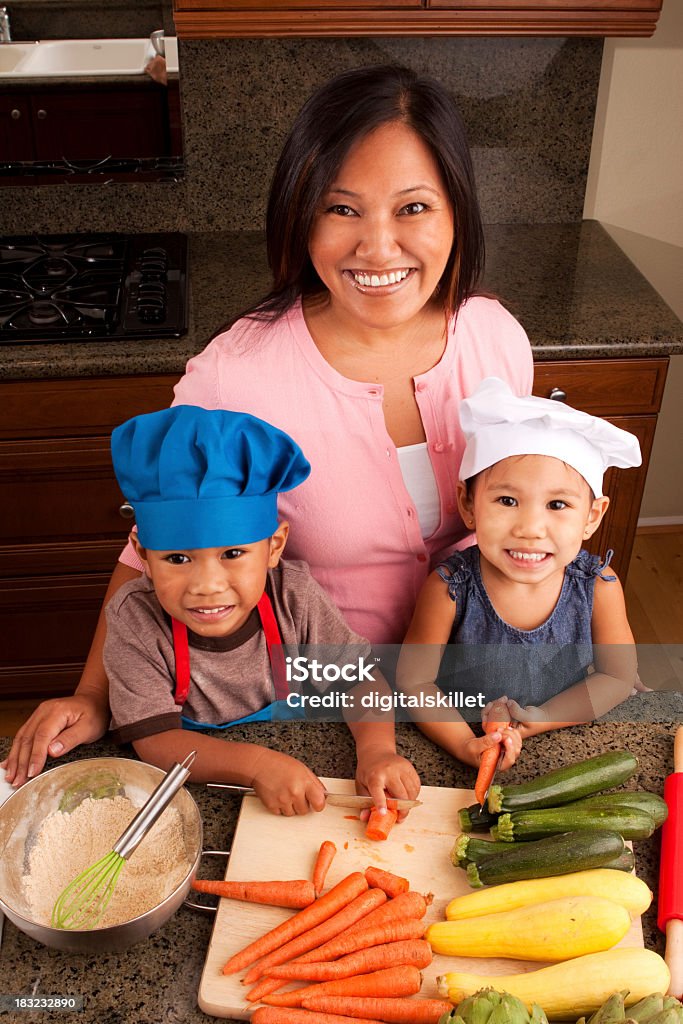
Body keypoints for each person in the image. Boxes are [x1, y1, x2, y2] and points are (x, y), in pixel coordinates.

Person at [3, 63, 533, 786]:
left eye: (412, 208)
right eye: (342, 209)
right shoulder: (236, 376)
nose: (378, 248)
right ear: (300, 213)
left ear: (456, 211)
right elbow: (151, 548)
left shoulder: (496, 340)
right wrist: (95, 697)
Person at [105, 404, 419, 815]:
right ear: (143, 554)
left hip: (308, 769)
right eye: (177, 559)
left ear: (274, 546)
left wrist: (377, 750)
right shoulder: (135, 621)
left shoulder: (295, 598)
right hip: (192, 796)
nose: (207, 586)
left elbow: (359, 681)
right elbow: (157, 741)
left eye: (233, 553)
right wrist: (255, 765)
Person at [397, 376, 642, 771]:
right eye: (507, 500)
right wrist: (464, 744)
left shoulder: (599, 587)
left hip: (566, 742)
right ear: (468, 503)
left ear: (592, 516)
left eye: (557, 504)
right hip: (458, 742)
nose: (530, 527)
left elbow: (616, 677)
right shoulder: (449, 589)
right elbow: (414, 683)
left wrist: (540, 720)